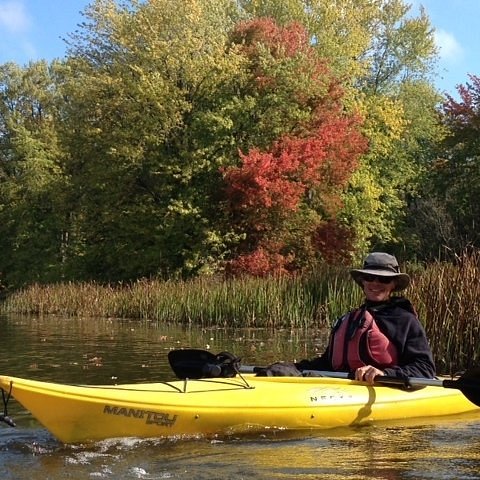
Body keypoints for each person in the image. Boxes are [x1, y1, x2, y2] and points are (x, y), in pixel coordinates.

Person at [293, 252, 436, 384]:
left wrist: (385, 373)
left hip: (384, 389)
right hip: (344, 388)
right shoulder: (349, 319)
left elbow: (425, 368)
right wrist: (293, 368)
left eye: (384, 279)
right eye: (369, 277)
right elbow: (326, 364)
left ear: (393, 284)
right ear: (363, 282)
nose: (375, 283)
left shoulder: (405, 320)